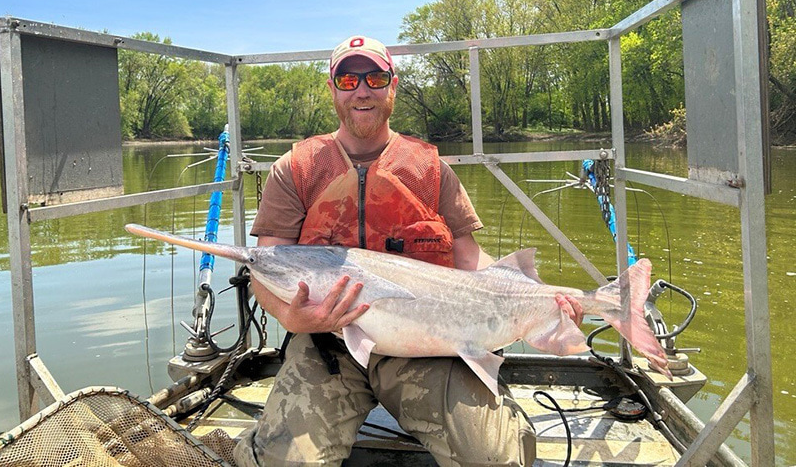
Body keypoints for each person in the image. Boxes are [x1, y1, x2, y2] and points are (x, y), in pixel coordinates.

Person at [233, 35, 583, 467]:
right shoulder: (295, 169)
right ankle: (263, 439)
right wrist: (290, 316)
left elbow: (472, 263)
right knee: (286, 463)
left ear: (392, 86)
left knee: (493, 459)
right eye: (348, 78)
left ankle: (508, 427)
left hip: (429, 344)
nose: (362, 90)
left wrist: (541, 301)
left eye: (375, 78)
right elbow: (266, 266)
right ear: (333, 88)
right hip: (329, 344)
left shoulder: (431, 169)